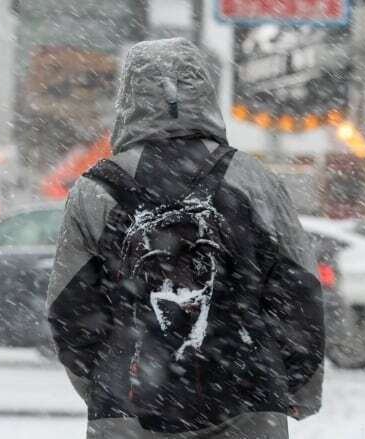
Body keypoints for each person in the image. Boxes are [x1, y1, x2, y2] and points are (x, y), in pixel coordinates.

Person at [47, 38, 323, 439]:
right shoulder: (254, 181)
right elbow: (298, 295)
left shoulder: (94, 190)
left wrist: (106, 386)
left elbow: (69, 310)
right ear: (205, 92)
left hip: (128, 410)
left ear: (128, 97)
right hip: (248, 404)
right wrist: (293, 386)